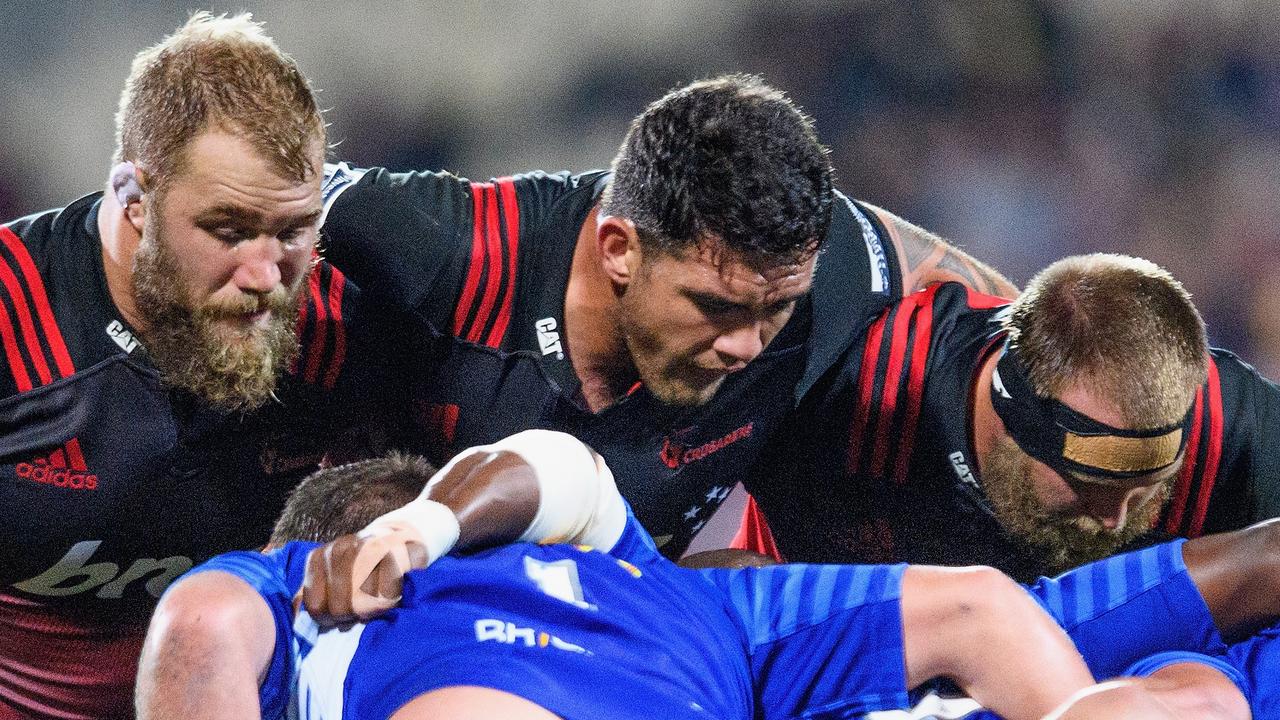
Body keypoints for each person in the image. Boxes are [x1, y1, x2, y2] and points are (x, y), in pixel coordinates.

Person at [316, 73, 1018, 558]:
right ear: (619, 250)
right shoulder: (458, 249)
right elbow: (272, 184)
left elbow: (961, 288)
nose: (746, 345)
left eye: (777, 309)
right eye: (716, 307)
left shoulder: (811, 265)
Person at [138, 431, 1275, 720]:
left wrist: (431, 527)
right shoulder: (346, 591)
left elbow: (555, 470)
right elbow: (197, 627)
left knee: (1182, 701)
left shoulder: (665, 581)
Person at [0, 13, 408, 719]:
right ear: (134, 200)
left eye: (291, 231)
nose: (265, 276)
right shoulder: (14, 319)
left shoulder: (356, 316)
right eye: (229, 231)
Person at [735, 253, 1280, 581]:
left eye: (1146, 491)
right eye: (1089, 487)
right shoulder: (865, 391)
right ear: (1010, 420)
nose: (1114, 520)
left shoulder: (1230, 430)